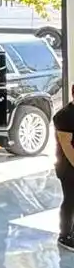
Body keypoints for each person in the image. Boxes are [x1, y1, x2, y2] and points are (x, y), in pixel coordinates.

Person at [54, 85, 74, 249]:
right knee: (71, 200)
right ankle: (65, 235)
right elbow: (67, 147)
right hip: (67, 167)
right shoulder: (64, 116)